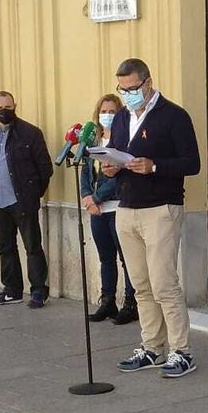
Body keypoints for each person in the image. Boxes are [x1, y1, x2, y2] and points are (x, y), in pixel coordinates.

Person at [105, 59, 202, 379]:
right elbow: (115, 152)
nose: (129, 94)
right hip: (126, 206)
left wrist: (155, 166)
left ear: (148, 83)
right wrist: (109, 166)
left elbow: (192, 163)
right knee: (141, 285)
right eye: (123, 89)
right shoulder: (120, 117)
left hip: (161, 208)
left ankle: (182, 351)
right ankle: (152, 347)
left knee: (164, 284)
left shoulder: (174, 116)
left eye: (133, 88)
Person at [0, 91, 53, 307]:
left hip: (22, 201)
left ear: (15, 105)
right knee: (5, 247)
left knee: (32, 247)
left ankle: (38, 291)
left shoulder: (30, 133)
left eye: (7, 107)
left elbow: (45, 168)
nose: (3, 111)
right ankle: (12, 290)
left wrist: (33, 193)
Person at [79, 94, 137, 326]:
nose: (108, 116)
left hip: (117, 206)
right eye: (104, 111)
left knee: (127, 258)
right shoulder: (93, 141)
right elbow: (86, 171)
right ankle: (107, 300)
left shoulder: (124, 141)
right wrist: (86, 196)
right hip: (97, 210)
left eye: (113, 112)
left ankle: (131, 303)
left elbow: (119, 176)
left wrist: (96, 197)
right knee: (106, 258)